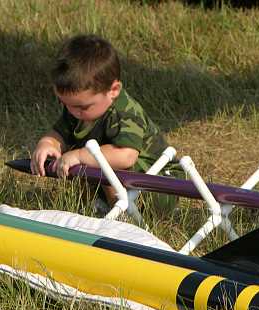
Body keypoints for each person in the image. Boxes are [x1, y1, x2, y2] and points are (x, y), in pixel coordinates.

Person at [31, 34, 178, 208]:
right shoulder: (78, 109)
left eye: (83, 107)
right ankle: (92, 207)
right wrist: (48, 144)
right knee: (81, 158)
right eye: (65, 104)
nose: (73, 112)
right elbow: (59, 134)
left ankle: (118, 214)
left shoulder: (125, 112)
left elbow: (126, 156)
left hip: (159, 186)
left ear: (113, 90)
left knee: (96, 159)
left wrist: (79, 155)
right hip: (123, 185)